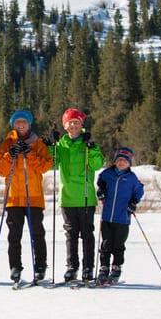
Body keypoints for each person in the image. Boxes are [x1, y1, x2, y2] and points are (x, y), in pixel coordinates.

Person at [44, 108, 105, 282]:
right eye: (70, 122)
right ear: (65, 125)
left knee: (87, 233)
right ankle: (72, 267)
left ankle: (88, 267)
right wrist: (50, 145)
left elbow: (97, 164)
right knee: (71, 235)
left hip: (85, 196)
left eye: (76, 122)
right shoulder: (61, 145)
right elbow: (51, 164)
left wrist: (92, 148)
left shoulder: (88, 143)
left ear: (81, 125)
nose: (73, 125)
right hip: (67, 197)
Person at [0, 110, 53, 283]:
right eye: (18, 123)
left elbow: (45, 166)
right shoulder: (6, 143)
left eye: (24, 122)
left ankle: (40, 266)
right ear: (13, 125)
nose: (21, 125)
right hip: (13, 198)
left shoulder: (38, 143)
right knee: (14, 235)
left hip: (33, 196)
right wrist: (10, 154)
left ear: (29, 124)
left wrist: (30, 153)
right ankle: (15, 267)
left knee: (37, 233)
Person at [96, 147, 144, 284]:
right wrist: (101, 191)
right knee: (105, 244)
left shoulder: (132, 178)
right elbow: (100, 182)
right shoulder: (107, 173)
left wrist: (133, 202)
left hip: (122, 218)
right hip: (107, 217)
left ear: (129, 163)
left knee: (118, 245)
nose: (121, 162)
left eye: (125, 160)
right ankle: (104, 268)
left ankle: (116, 268)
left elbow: (139, 191)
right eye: (119, 160)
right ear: (115, 161)